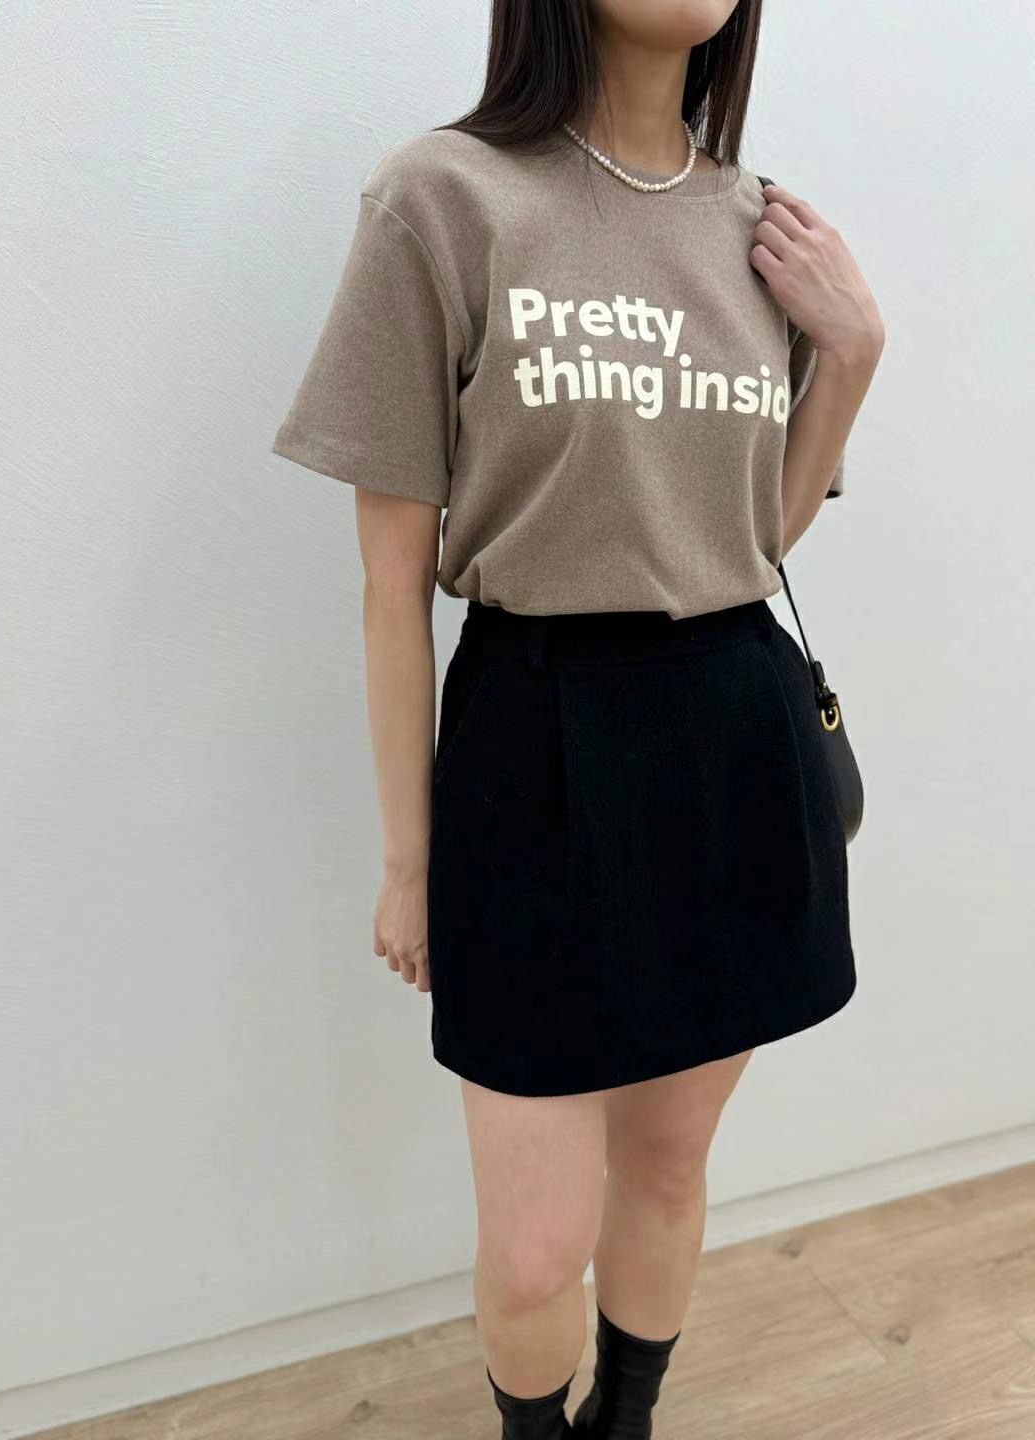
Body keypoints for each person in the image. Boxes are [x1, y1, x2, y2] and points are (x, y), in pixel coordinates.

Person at [271, 0, 884, 1433]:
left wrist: (851, 358)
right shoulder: (444, 198)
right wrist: (411, 861)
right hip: (533, 747)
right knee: (540, 1239)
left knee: (666, 1170)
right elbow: (390, 586)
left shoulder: (763, 229)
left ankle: (632, 1420)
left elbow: (751, 543)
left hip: (732, 736)